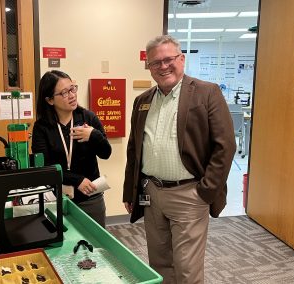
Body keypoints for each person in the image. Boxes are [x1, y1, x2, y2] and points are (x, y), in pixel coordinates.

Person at [123, 35, 236, 283]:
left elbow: (225, 146)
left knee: (187, 269)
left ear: (181, 59)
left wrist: (205, 191)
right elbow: (134, 149)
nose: (163, 66)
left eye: (168, 59)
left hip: (189, 194)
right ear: (149, 67)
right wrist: (128, 191)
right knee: (159, 263)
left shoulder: (207, 93)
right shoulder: (142, 101)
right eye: (155, 63)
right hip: (151, 192)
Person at [32, 70, 112, 227]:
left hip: (90, 197)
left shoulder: (88, 118)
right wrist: (77, 180)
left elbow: (106, 153)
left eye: (72, 88)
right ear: (49, 100)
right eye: (64, 93)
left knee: (95, 246)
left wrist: (94, 135)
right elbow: (45, 166)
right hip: (57, 198)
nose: (72, 95)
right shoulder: (42, 127)